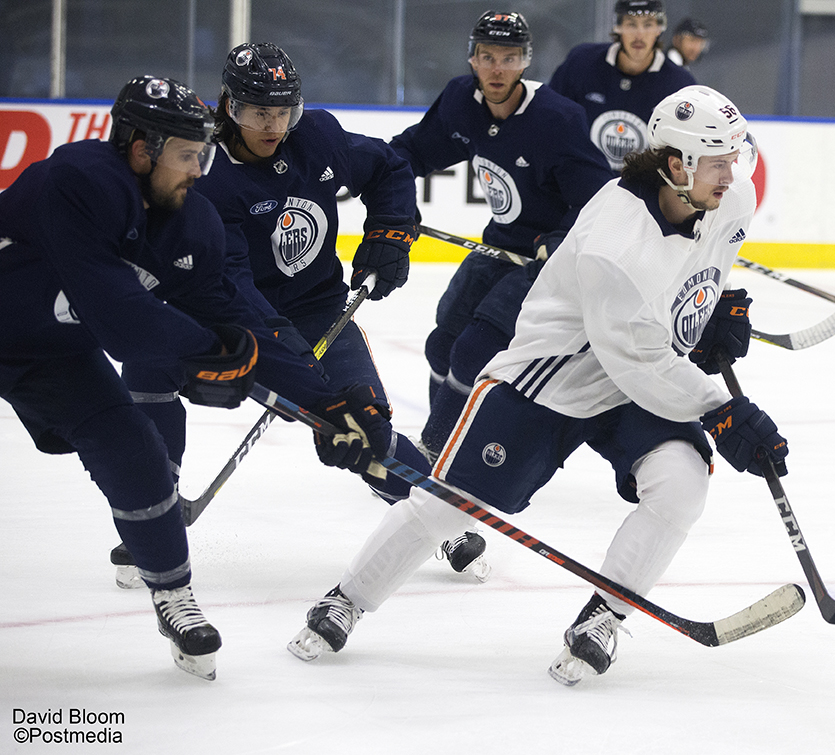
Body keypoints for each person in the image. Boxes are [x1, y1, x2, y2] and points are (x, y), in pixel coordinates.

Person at [288, 85, 790, 688]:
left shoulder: (729, 198)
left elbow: (695, 274)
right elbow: (638, 359)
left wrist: (714, 308)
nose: (734, 173)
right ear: (676, 164)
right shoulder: (615, 241)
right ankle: (349, 597)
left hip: (635, 383)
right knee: (450, 505)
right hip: (548, 382)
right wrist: (721, 410)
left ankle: (604, 617)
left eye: (736, 157)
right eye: (719, 160)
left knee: (681, 487)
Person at [109, 44, 454, 585]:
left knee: (364, 423)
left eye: (282, 112)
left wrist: (390, 231)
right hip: (228, 316)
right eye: (256, 113)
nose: (272, 127)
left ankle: (439, 511)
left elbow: (389, 167)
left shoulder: (315, 137)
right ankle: (155, 516)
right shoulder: (207, 177)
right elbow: (236, 289)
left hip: (318, 310)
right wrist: (288, 357)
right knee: (150, 372)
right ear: (228, 107)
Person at [0, 76, 263, 680]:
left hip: (52, 355)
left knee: (135, 449)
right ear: (140, 148)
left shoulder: (191, 221)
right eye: (188, 155)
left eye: (206, 155)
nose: (201, 170)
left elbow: (222, 314)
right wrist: (204, 350)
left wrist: (316, 393)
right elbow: (121, 321)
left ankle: (173, 592)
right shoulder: (80, 180)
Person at [388, 12, 614, 481]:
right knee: (441, 345)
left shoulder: (557, 119)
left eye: (509, 59)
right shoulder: (460, 101)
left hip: (544, 264)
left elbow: (596, 201)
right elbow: (411, 152)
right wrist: (394, 198)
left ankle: (436, 459)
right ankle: (439, 445)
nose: (496, 69)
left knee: (473, 353)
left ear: (525, 62)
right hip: (499, 247)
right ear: (473, 58)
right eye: (487, 57)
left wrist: (557, 240)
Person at [549, 0, 695, 170]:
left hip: (644, 194)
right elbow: (551, 121)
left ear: (659, 29)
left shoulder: (680, 85)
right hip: (584, 188)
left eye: (648, 25)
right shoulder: (581, 62)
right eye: (631, 24)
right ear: (618, 26)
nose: (639, 35)